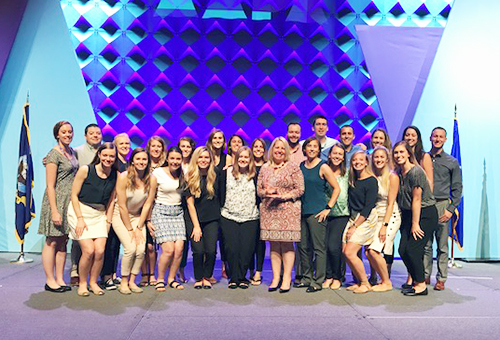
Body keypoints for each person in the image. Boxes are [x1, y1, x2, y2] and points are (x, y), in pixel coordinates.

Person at [67, 143, 118, 296]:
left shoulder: (115, 174)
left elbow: (111, 200)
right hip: (80, 211)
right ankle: (83, 283)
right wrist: (80, 218)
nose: (108, 158)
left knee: (100, 251)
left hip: (100, 215)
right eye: (105, 155)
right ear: (100, 155)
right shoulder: (86, 170)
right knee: (88, 251)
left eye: (111, 156)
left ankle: (93, 282)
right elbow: (74, 195)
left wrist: (108, 221)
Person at [257, 137, 304, 293]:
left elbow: (300, 189)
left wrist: (283, 196)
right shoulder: (264, 168)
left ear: (286, 151)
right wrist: (267, 192)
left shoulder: (293, 167)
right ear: (272, 150)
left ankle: (286, 278)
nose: (279, 151)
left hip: (288, 210)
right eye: (277, 148)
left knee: (287, 244)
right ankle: (276, 277)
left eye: (282, 148)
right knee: (274, 245)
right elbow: (259, 191)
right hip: (269, 210)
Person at [38, 121, 79, 293]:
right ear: (57, 135)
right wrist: (54, 210)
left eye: (70, 131)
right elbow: (50, 185)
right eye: (64, 132)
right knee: (52, 240)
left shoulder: (72, 152)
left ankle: (60, 278)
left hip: (68, 203)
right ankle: (50, 280)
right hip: (55, 202)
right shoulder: (53, 155)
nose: (68, 134)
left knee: (63, 241)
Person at [393, 141, 438, 296]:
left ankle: (421, 285)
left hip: (424, 214)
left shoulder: (416, 172)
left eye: (401, 152)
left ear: (408, 154)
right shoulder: (399, 172)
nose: (398, 155)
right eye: (396, 153)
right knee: (403, 250)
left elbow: (417, 199)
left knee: (413, 250)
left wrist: (415, 223)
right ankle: (416, 280)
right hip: (409, 214)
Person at [298, 137, 340, 292]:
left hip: (316, 213)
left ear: (319, 149)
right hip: (301, 212)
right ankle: (306, 278)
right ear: (305, 149)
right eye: (309, 146)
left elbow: (336, 188)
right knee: (303, 247)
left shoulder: (323, 167)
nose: (312, 149)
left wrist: (328, 208)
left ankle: (318, 280)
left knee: (318, 248)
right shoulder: (301, 166)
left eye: (315, 146)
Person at [111, 147, 155, 294]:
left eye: (144, 159)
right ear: (132, 161)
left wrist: (139, 226)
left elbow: (148, 204)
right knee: (130, 248)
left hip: (137, 217)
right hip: (120, 216)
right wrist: (131, 230)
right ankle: (123, 281)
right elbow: (122, 206)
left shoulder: (151, 178)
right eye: (138, 159)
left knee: (141, 249)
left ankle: (132, 281)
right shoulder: (123, 177)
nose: (141, 162)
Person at [424, 127, 462, 291]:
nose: (438, 139)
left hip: (442, 205)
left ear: (445, 139)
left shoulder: (451, 161)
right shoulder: (422, 158)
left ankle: (441, 279)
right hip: (425, 205)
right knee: (426, 245)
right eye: (435, 136)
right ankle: (424, 276)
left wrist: (450, 209)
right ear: (430, 137)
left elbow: (457, 188)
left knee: (442, 246)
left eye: (441, 137)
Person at [220, 146, 260, 289]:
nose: (243, 159)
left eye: (246, 157)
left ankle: (242, 277)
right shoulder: (226, 173)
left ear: (250, 160)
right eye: (240, 157)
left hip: (250, 217)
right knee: (231, 248)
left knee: (246, 249)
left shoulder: (256, 174)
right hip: (229, 216)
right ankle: (234, 277)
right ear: (236, 159)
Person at [149, 147, 187, 291]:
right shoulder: (157, 173)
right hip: (161, 212)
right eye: (172, 158)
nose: (175, 161)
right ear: (167, 159)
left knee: (179, 249)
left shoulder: (183, 174)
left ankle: (171, 279)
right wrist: (148, 221)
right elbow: (150, 198)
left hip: (177, 213)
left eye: (178, 159)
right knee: (169, 250)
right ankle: (160, 279)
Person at [70, 123, 102, 286]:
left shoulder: (106, 152)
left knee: (98, 242)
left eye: (98, 133)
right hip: (80, 199)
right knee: (78, 238)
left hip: (99, 203)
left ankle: (96, 274)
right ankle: (75, 269)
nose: (95, 135)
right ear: (85, 136)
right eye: (92, 133)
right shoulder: (76, 151)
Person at [184, 147, 221, 289]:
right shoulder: (189, 176)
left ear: (210, 160)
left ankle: (207, 276)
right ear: (196, 159)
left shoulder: (215, 174)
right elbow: (190, 203)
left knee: (211, 250)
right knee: (198, 250)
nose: (203, 160)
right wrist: (196, 226)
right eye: (200, 157)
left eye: (206, 157)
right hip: (194, 219)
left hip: (212, 218)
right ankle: (198, 277)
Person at [343, 150, 378, 294]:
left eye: (360, 160)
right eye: (354, 160)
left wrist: (355, 226)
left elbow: (368, 207)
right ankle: (358, 281)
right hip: (353, 217)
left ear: (366, 163)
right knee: (344, 250)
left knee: (350, 252)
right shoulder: (353, 180)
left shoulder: (371, 181)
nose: (357, 162)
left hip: (365, 218)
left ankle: (365, 282)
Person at [366, 146, 401, 292]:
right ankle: (380, 279)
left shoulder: (392, 176)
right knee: (368, 251)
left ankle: (386, 282)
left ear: (387, 159)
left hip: (390, 217)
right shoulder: (372, 175)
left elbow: (391, 203)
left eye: (382, 157)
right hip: (376, 216)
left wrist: (385, 225)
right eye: (376, 157)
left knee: (374, 251)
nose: (379, 160)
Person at [101, 133, 131, 290]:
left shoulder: (127, 163)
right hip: (111, 208)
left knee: (116, 243)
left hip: (123, 209)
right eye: (121, 144)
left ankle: (113, 273)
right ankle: (106, 276)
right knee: (110, 244)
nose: (125, 146)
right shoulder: (113, 163)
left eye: (127, 143)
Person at [140, 136, 167, 286]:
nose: (156, 149)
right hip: (143, 206)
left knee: (154, 245)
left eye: (159, 147)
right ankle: (146, 274)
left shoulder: (167, 165)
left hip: (161, 207)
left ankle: (153, 274)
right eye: (153, 146)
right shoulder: (144, 164)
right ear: (149, 148)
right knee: (146, 245)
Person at [323, 144, 349, 290]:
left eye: (340, 154)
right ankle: (328, 276)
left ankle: (338, 276)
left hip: (342, 215)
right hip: (326, 215)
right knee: (325, 247)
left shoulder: (347, 173)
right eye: (335, 153)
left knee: (334, 247)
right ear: (330, 155)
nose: (337, 156)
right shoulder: (324, 171)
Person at [206, 129, 230, 279]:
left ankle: (224, 267)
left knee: (224, 238)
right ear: (210, 140)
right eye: (215, 138)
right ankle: (207, 271)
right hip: (207, 201)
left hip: (222, 200)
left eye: (220, 138)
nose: (218, 140)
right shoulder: (204, 156)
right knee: (210, 240)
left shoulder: (227, 158)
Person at [177, 136, 196, 283]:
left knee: (194, 239)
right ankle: (180, 270)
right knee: (181, 242)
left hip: (194, 205)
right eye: (182, 146)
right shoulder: (174, 164)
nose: (185, 149)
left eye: (188, 146)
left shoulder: (195, 165)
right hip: (178, 205)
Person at [249, 138, 268, 286]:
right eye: (255, 146)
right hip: (248, 207)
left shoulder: (268, 166)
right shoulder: (246, 165)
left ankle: (258, 272)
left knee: (260, 242)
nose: (258, 149)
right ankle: (249, 270)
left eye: (261, 147)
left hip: (264, 207)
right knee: (249, 241)